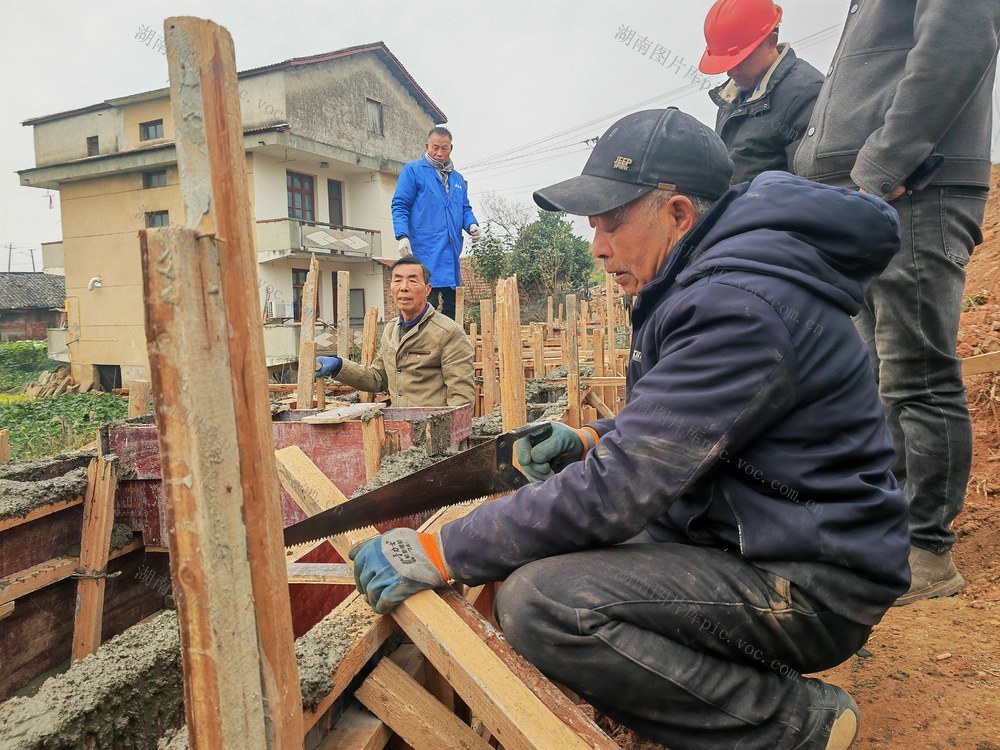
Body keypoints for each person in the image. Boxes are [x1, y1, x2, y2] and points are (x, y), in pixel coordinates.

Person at [350, 108, 910, 749]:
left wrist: (442, 550)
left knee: (544, 603)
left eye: (612, 222)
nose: (596, 246)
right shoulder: (717, 279)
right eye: (593, 225)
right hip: (755, 536)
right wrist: (591, 438)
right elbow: (696, 423)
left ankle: (789, 723)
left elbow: (622, 489)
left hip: (809, 579)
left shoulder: (739, 305)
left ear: (678, 214)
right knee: (549, 547)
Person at [794, 1, 1000, 606]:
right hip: (875, 198)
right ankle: (891, 533)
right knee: (878, 375)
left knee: (917, 374)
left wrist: (880, 164)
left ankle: (927, 550)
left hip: (915, 188)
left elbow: (959, 39)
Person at [315, 257, 474, 407]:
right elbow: (378, 378)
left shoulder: (449, 333)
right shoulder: (391, 330)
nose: (404, 288)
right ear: (391, 288)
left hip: (432, 429)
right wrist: (339, 365)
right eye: (397, 280)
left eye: (412, 280)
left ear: (427, 289)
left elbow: (461, 400)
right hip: (398, 428)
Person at [699, 0, 823, 184]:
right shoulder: (732, 96)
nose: (731, 72)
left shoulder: (806, 93)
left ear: (771, 42)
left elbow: (812, 186)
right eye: (727, 64)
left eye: (740, 60)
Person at [390, 126, 480, 320]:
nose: (439, 153)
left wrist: (471, 224)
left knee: (452, 307)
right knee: (423, 305)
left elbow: (464, 208)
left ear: (451, 149)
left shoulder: (457, 179)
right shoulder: (413, 171)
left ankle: (448, 347)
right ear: (427, 146)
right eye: (435, 147)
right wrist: (402, 235)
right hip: (425, 251)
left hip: (450, 252)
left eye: (444, 148)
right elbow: (400, 205)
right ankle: (418, 345)